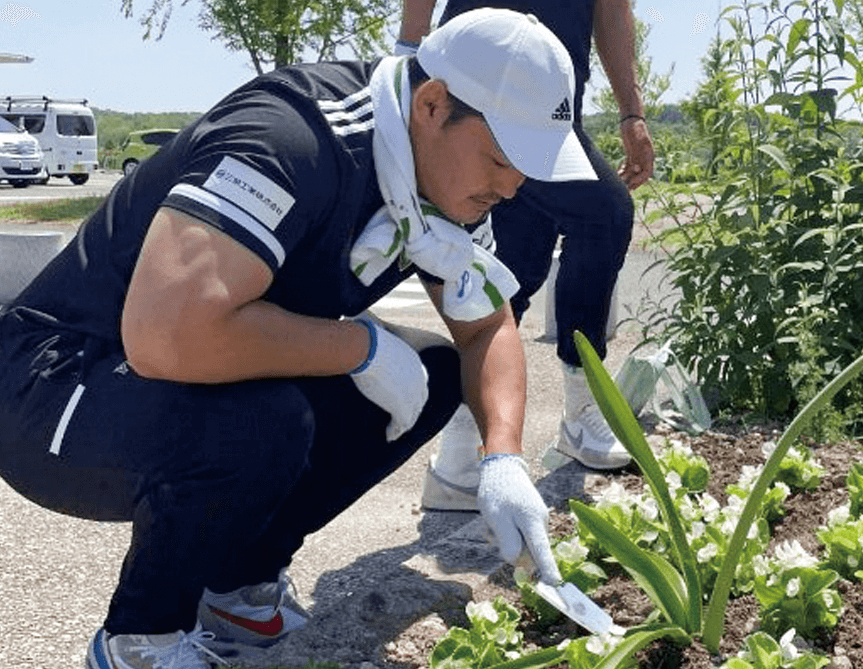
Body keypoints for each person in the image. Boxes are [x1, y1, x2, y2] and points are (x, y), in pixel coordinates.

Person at [0, 9, 590, 668]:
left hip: (175, 373)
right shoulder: (293, 142)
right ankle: (142, 637)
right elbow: (163, 335)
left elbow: (488, 327)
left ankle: (237, 586)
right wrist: (359, 347)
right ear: (431, 104)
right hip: (50, 387)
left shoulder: (442, 185)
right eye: (503, 157)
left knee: (432, 373)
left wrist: (502, 458)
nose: (513, 187)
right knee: (266, 421)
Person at [400, 0, 657, 512]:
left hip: (552, 109)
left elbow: (610, 9)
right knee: (603, 215)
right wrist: (409, 54)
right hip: (481, 91)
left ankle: (459, 458)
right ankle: (583, 407)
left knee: (514, 269)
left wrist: (631, 110)